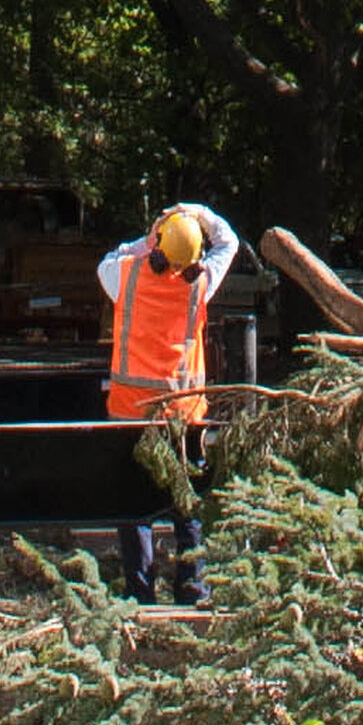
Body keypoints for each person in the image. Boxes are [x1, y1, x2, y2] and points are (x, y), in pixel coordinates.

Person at [100, 197, 239, 605]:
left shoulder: (124, 275)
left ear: (158, 244)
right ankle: (192, 586)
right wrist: (200, 214)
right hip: (185, 415)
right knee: (186, 502)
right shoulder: (200, 283)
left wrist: (147, 241)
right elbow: (228, 241)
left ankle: (140, 592)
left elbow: (109, 258)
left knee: (134, 506)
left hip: (129, 413)